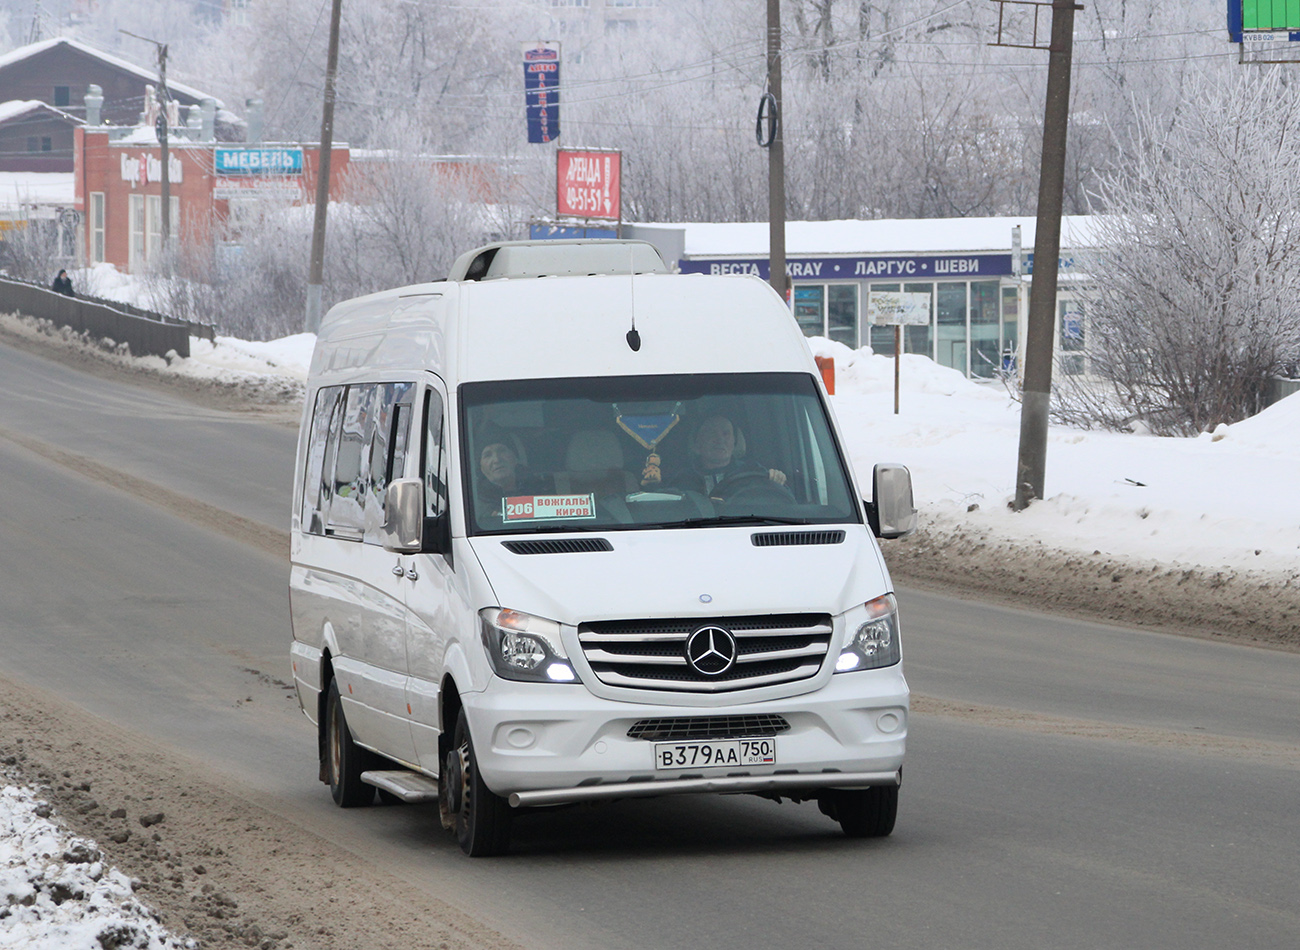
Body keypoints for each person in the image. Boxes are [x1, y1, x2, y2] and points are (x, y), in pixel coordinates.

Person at [675, 414, 787, 497]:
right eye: (711, 433)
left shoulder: (754, 472)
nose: (720, 439)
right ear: (696, 444)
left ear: (735, 442)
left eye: (726, 433)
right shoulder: (681, 480)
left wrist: (777, 479)